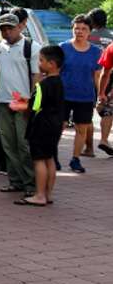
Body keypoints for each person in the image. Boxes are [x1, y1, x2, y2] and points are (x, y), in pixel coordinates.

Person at [0, 11, 39, 196]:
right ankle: (15, 181)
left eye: (9, 28)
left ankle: (30, 184)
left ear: (18, 27)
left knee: (23, 144)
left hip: (23, 101)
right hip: (3, 101)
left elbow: (36, 75)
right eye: (3, 29)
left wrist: (33, 101)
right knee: (8, 144)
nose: (6, 32)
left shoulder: (31, 47)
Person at [19, 45, 65, 206]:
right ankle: (48, 194)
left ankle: (39, 195)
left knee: (39, 160)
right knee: (50, 159)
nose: (39, 63)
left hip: (41, 127)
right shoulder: (59, 83)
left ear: (51, 64)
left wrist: (22, 106)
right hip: (55, 126)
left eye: (41, 60)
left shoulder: (42, 85)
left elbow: (35, 107)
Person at [60, 14, 102, 173]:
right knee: (59, 126)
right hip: (63, 95)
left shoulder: (96, 52)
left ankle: (75, 159)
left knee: (81, 129)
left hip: (85, 96)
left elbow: (97, 76)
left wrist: (99, 96)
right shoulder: (63, 48)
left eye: (84, 29)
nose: (79, 31)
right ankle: (53, 157)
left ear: (89, 32)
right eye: (76, 28)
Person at [85, 8, 112, 156]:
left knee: (85, 114)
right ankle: (103, 139)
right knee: (108, 110)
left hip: (87, 77)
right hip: (107, 78)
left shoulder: (87, 35)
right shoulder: (111, 37)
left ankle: (88, 148)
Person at [98, 37, 113, 157]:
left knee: (108, 111)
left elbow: (105, 73)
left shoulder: (111, 47)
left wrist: (101, 93)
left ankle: (103, 139)